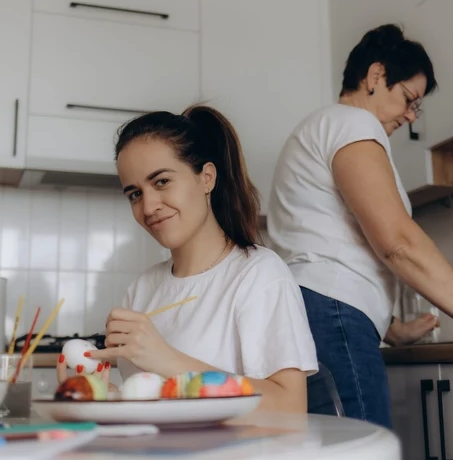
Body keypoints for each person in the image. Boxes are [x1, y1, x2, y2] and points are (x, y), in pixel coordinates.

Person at [267, 23, 453, 428]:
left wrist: (391, 327)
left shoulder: (321, 127)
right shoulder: (353, 125)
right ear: (376, 77)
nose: (411, 115)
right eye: (409, 99)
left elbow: (324, 246)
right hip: (333, 318)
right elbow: (397, 242)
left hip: (318, 315)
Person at [59, 105, 318, 413]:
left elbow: (289, 406)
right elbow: (158, 403)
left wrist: (166, 359)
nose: (149, 205)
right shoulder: (142, 290)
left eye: (161, 182)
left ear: (206, 178)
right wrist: (105, 396)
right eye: (135, 194)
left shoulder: (259, 274)